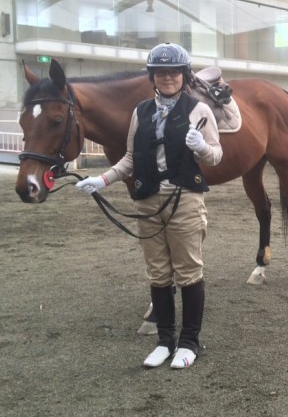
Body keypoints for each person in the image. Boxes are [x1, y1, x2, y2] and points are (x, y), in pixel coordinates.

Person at [76, 42, 223, 369]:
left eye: (174, 72)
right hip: (148, 201)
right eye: (161, 72)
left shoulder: (199, 110)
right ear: (152, 76)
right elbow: (130, 158)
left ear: (183, 75)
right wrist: (102, 180)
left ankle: (189, 342)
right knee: (157, 272)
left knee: (188, 270)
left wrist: (201, 147)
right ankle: (165, 341)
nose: (168, 77)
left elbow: (216, 156)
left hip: (184, 199)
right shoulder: (140, 111)